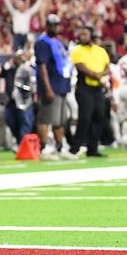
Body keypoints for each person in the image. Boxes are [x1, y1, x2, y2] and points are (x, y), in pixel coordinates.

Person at [34, 14, 76, 160]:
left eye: (57, 25)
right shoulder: (42, 43)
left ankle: (59, 147)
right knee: (45, 118)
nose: (55, 28)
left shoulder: (58, 42)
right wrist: (48, 88)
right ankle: (44, 148)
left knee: (60, 120)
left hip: (61, 85)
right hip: (51, 85)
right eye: (52, 25)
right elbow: (42, 66)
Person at [70, 27, 111, 158]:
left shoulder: (100, 50)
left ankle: (92, 148)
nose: (82, 36)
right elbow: (81, 67)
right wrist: (96, 75)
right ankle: (75, 148)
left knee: (99, 116)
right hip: (84, 87)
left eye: (85, 34)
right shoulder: (77, 50)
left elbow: (107, 67)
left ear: (91, 35)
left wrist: (100, 75)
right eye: (80, 34)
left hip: (98, 88)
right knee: (85, 117)